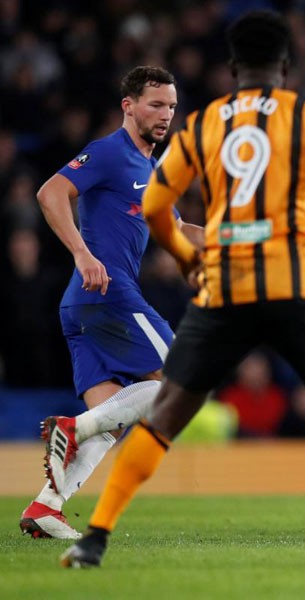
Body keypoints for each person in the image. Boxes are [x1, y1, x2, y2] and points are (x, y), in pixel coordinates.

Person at [60, 10, 305, 568]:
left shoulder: (204, 125)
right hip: (298, 287)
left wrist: (191, 261)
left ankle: (94, 537)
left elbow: (157, 208)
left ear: (233, 67)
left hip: (224, 291)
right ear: (286, 66)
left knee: (167, 412)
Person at [20, 66, 204, 540]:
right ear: (129, 105)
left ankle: (46, 507)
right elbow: (50, 192)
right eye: (155, 104)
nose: (165, 115)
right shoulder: (108, 152)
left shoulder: (151, 169)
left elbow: (180, 232)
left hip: (83, 307)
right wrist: (82, 253)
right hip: (107, 293)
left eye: (171, 107)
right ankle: (71, 428)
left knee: (110, 423)